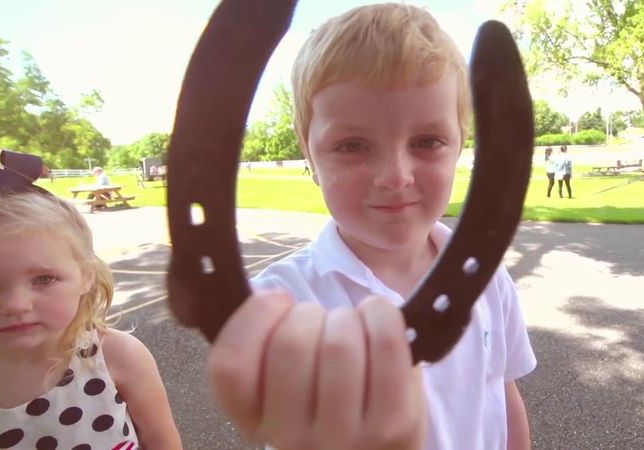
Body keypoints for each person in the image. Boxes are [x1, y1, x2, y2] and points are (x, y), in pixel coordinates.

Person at [206, 4, 537, 450]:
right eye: (352, 146)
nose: (395, 177)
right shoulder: (280, 305)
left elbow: (502, 393)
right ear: (310, 156)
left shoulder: (489, 279)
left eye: (427, 142)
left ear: (460, 143)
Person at [0, 151, 183, 449]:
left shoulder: (117, 356)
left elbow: (162, 441)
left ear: (86, 276)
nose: (16, 304)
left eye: (44, 279)